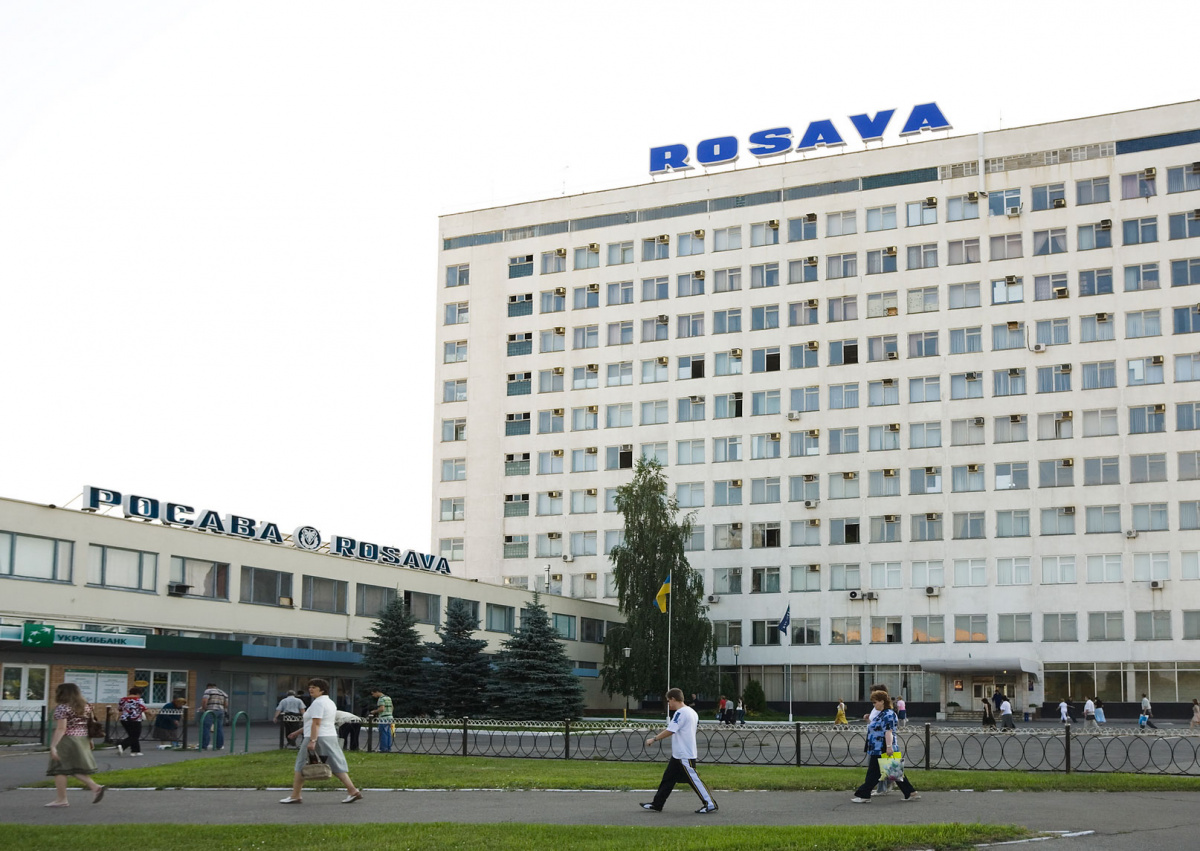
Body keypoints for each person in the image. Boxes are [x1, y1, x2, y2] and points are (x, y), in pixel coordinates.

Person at [280, 678, 363, 805]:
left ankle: (295, 796)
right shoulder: (330, 702)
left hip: (317, 737)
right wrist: (297, 732)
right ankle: (353, 791)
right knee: (335, 764)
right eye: (310, 687)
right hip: (329, 735)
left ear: (322, 690)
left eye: (314, 687)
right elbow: (317, 722)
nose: (310, 689)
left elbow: (317, 723)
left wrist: (312, 740)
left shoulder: (318, 703)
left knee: (300, 764)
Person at [640, 688, 717, 814]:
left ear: (673, 699)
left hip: (684, 754)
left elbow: (671, 730)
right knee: (668, 779)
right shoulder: (692, 712)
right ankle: (657, 804)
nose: (668, 704)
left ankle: (710, 803)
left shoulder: (681, 713)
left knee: (694, 780)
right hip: (679, 755)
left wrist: (654, 739)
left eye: (668, 701)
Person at [851, 690, 919, 803]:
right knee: (894, 771)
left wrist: (888, 746)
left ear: (882, 701)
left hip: (881, 747)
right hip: (878, 747)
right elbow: (877, 728)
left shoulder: (888, 714)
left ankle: (864, 794)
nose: (874, 705)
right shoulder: (882, 714)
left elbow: (888, 731)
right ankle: (910, 792)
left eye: (875, 702)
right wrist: (868, 720)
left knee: (874, 773)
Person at [44, 682, 106, 807]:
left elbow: (61, 728)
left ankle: (61, 799)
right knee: (72, 767)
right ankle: (95, 787)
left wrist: (53, 746)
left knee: (59, 769)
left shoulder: (62, 708)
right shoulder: (86, 706)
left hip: (67, 740)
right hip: (82, 738)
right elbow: (90, 725)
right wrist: (90, 740)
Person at [116, 686, 147, 756]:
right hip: (135, 719)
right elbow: (144, 708)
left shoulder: (122, 700)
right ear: (138, 693)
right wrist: (151, 713)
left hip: (124, 719)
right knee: (135, 736)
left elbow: (120, 709)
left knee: (132, 735)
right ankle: (122, 745)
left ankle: (135, 751)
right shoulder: (138, 700)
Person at [200, 682, 229, 750]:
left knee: (206, 728)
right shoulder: (223, 693)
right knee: (219, 728)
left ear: (208, 686)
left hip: (210, 710)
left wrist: (204, 709)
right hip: (220, 711)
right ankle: (219, 745)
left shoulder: (208, 691)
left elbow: (204, 701)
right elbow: (226, 704)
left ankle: (204, 745)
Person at [368, 688, 393, 752]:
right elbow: (392, 707)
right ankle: (388, 748)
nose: (373, 696)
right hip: (390, 717)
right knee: (388, 733)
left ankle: (383, 749)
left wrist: (374, 711)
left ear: (377, 692)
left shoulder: (381, 699)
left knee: (383, 733)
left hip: (383, 718)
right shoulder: (388, 698)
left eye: (373, 694)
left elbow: (382, 709)